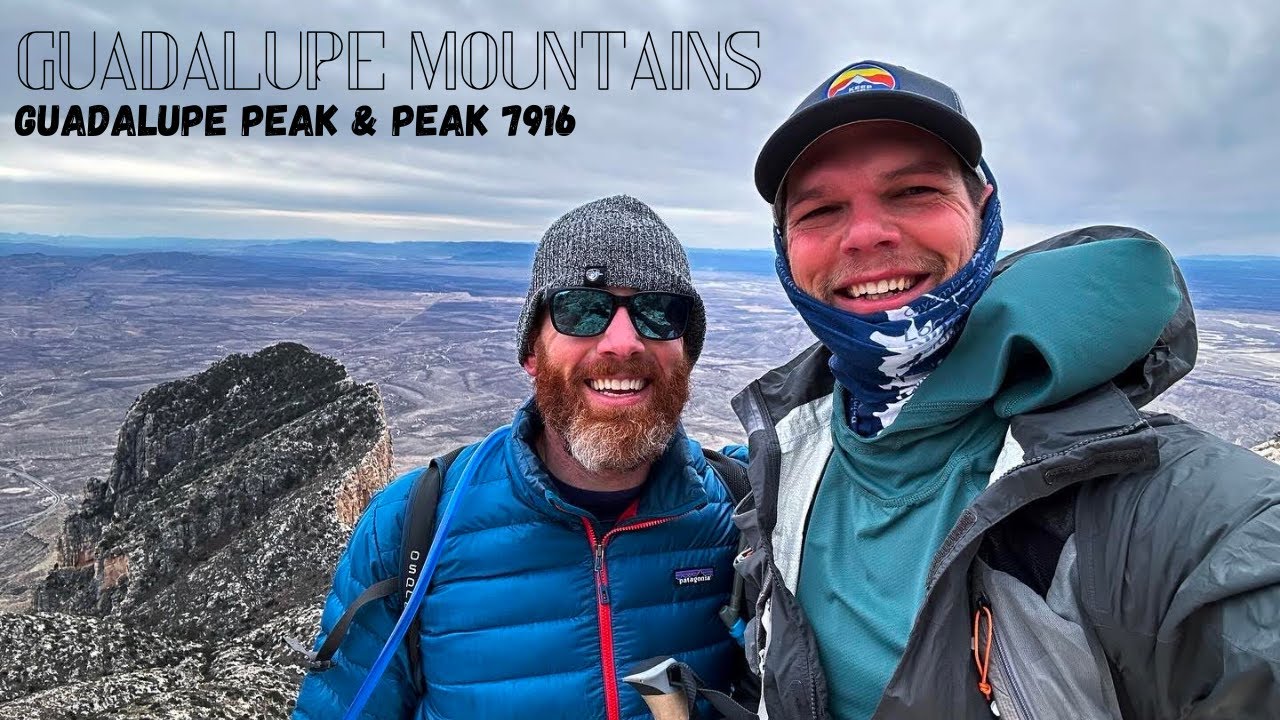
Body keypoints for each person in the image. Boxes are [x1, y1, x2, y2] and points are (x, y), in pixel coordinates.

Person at [727, 60, 1280, 719]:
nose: (867, 233)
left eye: (913, 192)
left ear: (982, 211)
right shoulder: (785, 465)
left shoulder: (1173, 514)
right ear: (784, 249)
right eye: (821, 210)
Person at [293, 195, 746, 720]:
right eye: (582, 309)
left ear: (686, 352)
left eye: (660, 312)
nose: (623, 342)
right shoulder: (409, 526)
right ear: (531, 352)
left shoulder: (746, 510)